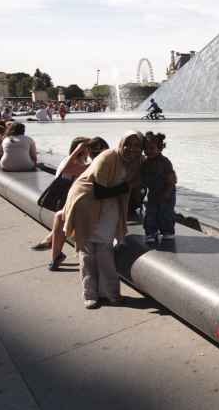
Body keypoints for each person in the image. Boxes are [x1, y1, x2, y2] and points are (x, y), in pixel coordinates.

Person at [62, 131, 144, 309]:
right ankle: (90, 294)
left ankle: (110, 293)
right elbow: (99, 191)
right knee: (87, 251)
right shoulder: (107, 157)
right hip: (85, 203)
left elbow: (152, 172)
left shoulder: (136, 161)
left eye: (137, 145)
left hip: (108, 206)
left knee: (104, 250)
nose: (132, 148)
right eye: (128, 143)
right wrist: (128, 186)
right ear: (121, 143)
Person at [33, 136, 108, 271]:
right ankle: (55, 253)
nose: (91, 152)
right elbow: (66, 170)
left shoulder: (85, 163)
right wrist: (77, 151)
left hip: (82, 202)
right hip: (72, 201)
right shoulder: (76, 164)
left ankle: (54, 251)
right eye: (89, 148)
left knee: (60, 217)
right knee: (60, 217)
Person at [141, 132, 176, 245]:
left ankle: (167, 231)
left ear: (160, 148)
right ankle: (151, 232)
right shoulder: (145, 162)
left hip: (167, 193)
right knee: (151, 213)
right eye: (145, 148)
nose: (148, 151)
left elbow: (172, 180)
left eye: (151, 148)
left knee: (165, 213)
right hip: (153, 193)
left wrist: (167, 193)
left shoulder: (165, 162)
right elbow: (143, 178)